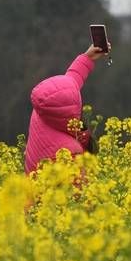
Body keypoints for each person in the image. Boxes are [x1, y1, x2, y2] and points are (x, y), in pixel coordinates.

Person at [24, 43, 109, 175]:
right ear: (74, 108)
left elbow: (68, 84)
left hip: (30, 192)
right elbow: (76, 193)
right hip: (49, 195)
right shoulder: (68, 153)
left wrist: (88, 57)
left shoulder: (43, 110)